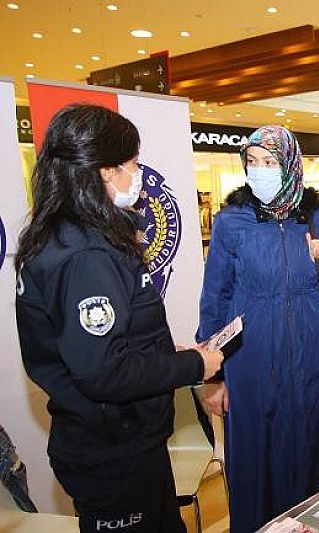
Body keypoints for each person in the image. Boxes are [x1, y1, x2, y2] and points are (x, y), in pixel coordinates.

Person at [14, 104, 223, 533]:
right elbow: (104, 373)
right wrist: (194, 365)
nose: (137, 174)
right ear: (107, 171)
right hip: (113, 451)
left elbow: (103, 343)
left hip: (121, 440)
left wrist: (162, 352)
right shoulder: (87, 254)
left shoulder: (65, 236)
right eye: (133, 164)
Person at [197, 126, 319, 532]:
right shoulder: (231, 222)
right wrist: (213, 377)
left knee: (316, 454)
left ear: (291, 165)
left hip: (313, 359)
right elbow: (214, 299)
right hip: (252, 362)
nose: (259, 170)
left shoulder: (317, 217)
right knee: (257, 463)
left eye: (270, 162)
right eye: (252, 162)